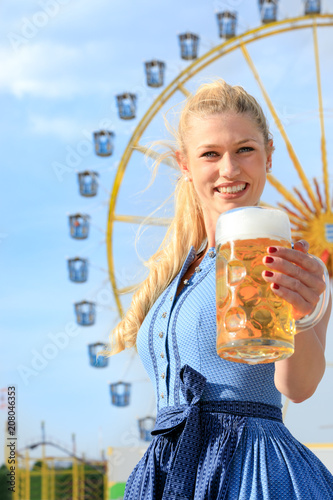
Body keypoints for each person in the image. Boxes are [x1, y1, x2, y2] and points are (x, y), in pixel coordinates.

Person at [107, 80, 333, 499]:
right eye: (210, 153)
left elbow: (299, 387)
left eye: (245, 149)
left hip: (249, 470)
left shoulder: (296, 266)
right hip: (170, 466)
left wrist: (298, 315)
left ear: (268, 154)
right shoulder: (175, 270)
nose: (229, 169)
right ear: (185, 164)